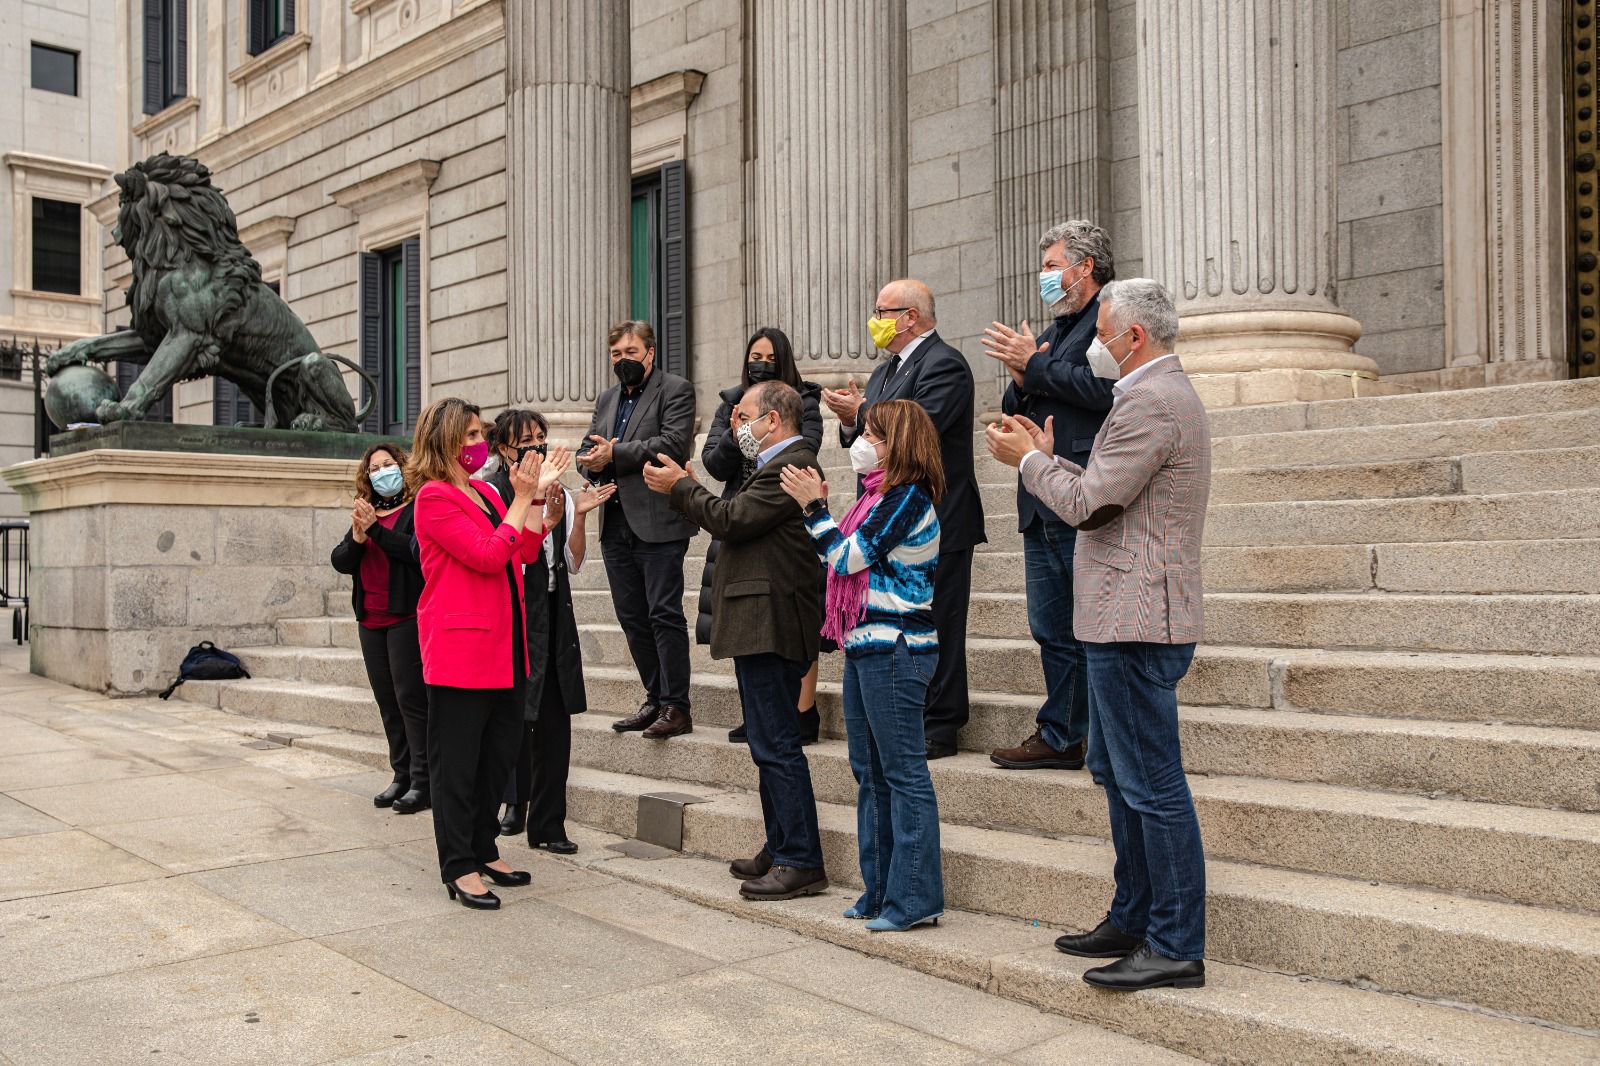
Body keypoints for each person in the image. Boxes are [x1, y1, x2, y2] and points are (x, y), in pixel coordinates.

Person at [985, 278, 1212, 991]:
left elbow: (1089, 505)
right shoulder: (1148, 395)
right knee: (1118, 774)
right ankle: (1134, 913)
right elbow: (1109, 489)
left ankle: (1175, 943)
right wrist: (1048, 456)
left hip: (1137, 619)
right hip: (1121, 616)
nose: (1096, 350)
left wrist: (1027, 464)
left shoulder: (1149, 399)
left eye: (1103, 337)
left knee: (1152, 785)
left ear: (1133, 338)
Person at [641, 381, 829, 901]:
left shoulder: (793, 463)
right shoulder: (772, 465)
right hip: (759, 621)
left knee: (777, 746)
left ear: (773, 420)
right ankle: (781, 843)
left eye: (743, 415)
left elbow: (732, 520)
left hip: (771, 623)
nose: (733, 426)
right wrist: (687, 487)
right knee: (767, 744)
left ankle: (801, 859)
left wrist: (682, 486)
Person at [779, 399, 945, 932]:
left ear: (897, 443)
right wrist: (823, 512)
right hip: (864, 645)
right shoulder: (875, 499)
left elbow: (848, 557)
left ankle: (914, 898)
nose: (862, 442)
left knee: (903, 773)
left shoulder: (908, 498)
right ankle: (879, 891)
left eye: (872, 433)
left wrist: (813, 509)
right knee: (869, 772)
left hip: (898, 646)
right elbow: (841, 552)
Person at [821, 279, 984, 759]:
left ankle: (941, 722)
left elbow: (920, 430)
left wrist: (864, 410)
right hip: (886, 518)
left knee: (940, 619)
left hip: (936, 517)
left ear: (910, 316)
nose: (875, 318)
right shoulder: (884, 370)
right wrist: (853, 421)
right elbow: (872, 437)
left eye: (882, 310)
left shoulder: (945, 364)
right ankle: (907, 715)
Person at [411, 396, 556, 911]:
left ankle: (483, 847)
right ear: (445, 440)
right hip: (459, 650)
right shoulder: (433, 498)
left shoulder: (487, 494)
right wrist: (521, 498)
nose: (479, 444)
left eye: (480, 435)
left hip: (505, 646)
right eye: (470, 436)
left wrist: (538, 501)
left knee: (497, 760)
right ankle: (458, 865)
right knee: (458, 766)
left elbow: (525, 550)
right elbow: (489, 555)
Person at [983, 221, 1117, 771]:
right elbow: (1028, 391)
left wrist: (1034, 365)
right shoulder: (1057, 326)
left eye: (1052, 266)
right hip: (1038, 491)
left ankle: (1090, 738)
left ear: (1084, 268)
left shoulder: (1109, 319)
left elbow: (1105, 391)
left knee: (1084, 625)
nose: (1044, 276)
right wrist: (1020, 374)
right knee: (1049, 624)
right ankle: (1063, 734)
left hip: (1078, 484)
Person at [484, 408, 612, 853]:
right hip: (516, 614)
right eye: (526, 440)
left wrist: (575, 519)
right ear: (504, 449)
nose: (537, 445)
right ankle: (512, 802)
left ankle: (549, 824)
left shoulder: (559, 488)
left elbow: (572, 562)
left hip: (555, 615)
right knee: (519, 717)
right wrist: (541, 520)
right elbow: (506, 556)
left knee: (555, 724)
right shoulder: (494, 493)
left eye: (541, 436)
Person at [699, 327, 826, 745]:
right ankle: (761, 713)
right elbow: (716, 463)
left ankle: (800, 711)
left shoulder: (800, 408)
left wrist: (683, 488)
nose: (760, 362)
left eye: (769, 357)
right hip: (741, 503)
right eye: (754, 355)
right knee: (747, 621)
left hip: (771, 508)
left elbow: (799, 445)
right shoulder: (731, 404)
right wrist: (740, 433)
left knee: (784, 621)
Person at [576, 320, 699, 740]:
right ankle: (654, 697)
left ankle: (677, 706)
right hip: (614, 521)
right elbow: (586, 449)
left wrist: (614, 453)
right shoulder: (607, 399)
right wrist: (587, 461)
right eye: (615, 355)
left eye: (630, 352)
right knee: (631, 617)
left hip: (659, 519)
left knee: (663, 614)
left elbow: (673, 444)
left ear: (650, 353)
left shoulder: (676, 389)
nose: (622, 361)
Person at [330, 443, 429, 814]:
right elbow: (340, 561)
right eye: (374, 469)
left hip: (405, 617)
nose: (381, 472)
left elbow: (415, 552)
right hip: (370, 619)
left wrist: (375, 532)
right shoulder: (367, 514)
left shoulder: (417, 509)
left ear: (403, 468)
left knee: (412, 702)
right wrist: (358, 536)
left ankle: (424, 780)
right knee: (388, 703)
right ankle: (401, 775)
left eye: (388, 465)